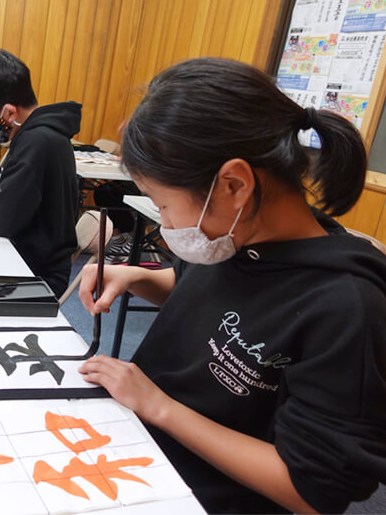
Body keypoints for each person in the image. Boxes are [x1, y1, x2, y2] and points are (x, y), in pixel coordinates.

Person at [77, 57, 386, 513]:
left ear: (233, 186)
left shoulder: (347, 308)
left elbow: (312, 491)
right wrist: (138, 276)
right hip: (138, 450)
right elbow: (204, 297)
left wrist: (158, 406)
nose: (163, 222)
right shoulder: (234, 237)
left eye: (162, 205)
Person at [0, 49, 80, 298]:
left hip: (35, 276)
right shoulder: (38, 133)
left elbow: (1, 220)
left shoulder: (37, 141)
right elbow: (23, 186)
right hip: (26, 258)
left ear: (8, 113)